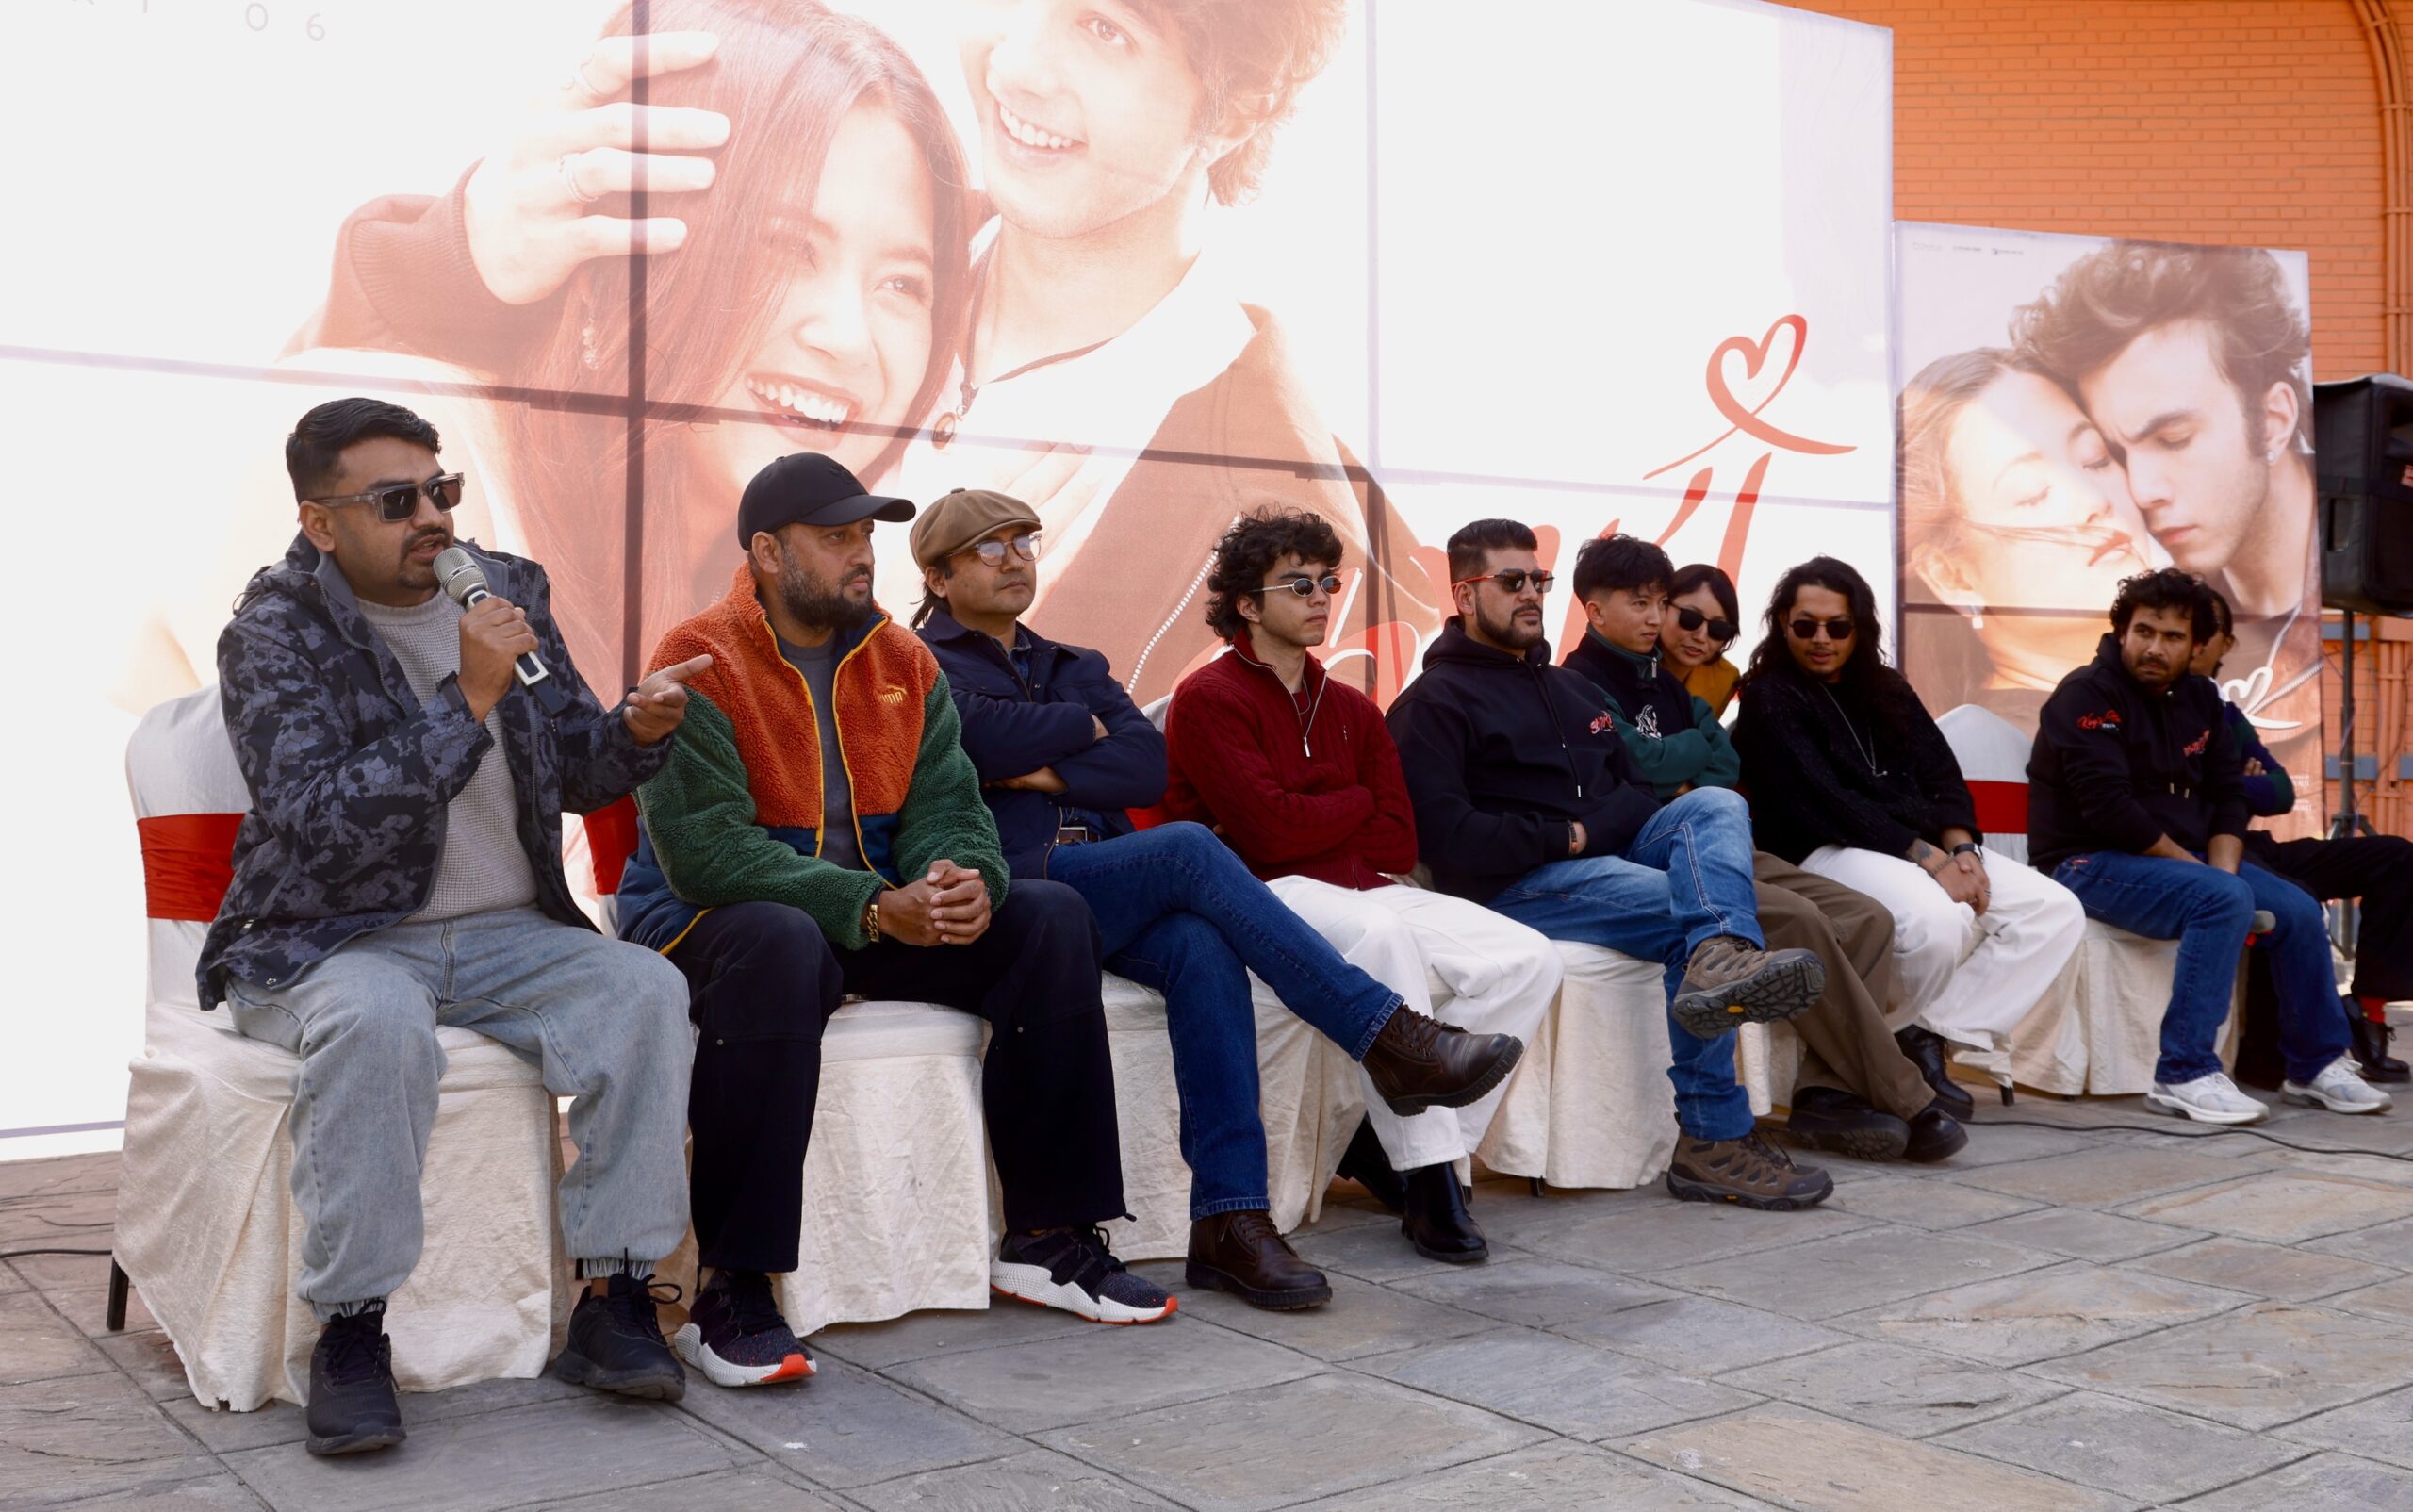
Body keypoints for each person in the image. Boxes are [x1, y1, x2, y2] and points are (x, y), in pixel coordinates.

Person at [201, 399, 707, 1455]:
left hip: (507, 932)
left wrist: (635, 730)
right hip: (333, 935)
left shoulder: (506, 588)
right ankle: (351, 1329)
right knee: (375, 1023)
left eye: (442, 490)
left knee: (646, 991)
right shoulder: (272, 633)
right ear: (321, 521)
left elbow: (576, 768)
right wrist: (465, 699)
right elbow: (320, 820)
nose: (432, 517)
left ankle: (615, 1299)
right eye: (397, 501)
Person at [617, 453, 1177, 1375]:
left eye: (865, 535)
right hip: (712, 917)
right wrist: (875, 908)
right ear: (767, 552)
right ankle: (734, 1285)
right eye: (835, 536)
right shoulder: (700, 657)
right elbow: (707, 854)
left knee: (1048, 915)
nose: (861, 553)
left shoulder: (903, 659)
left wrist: (961, 879)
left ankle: (1048, 1237)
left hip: (872, 910)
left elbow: (950, 805)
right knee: (780, 941)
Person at [909, 489, 1523, 1303]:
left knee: (1202, 948)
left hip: (1104, 872)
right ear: (938, 576)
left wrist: (1044, 765)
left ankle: (1231, 1222)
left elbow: (1143, 767)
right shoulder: (915, 662)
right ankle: (1388, 1037)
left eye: (1025, 541)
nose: (1016, 558)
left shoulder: (1074, 664)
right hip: (1015, 879)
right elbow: (976, 740)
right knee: (1192, 848)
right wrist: (1081, 730)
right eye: (991, 547)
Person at [291, 0, 975, 686]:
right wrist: (443, 262)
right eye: (789, 248)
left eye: (902, 284)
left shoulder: (777, 627)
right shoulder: (417, 494)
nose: (849, 339)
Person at [1387, 518, 1836, 1209]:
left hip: (1603, 856)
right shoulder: (1432, 703)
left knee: (1716, 805)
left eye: (1539, 579)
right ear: (1465, 595)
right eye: (1512, 580)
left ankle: (1722, 952)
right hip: (1515, 886)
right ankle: (1713, 1137)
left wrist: (1592, 829)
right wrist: (1568, 836)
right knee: (1684, 917)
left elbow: (1635, 793)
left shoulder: (1567, 692)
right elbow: (1450, 839)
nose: (1531, 592)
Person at [1160, 509, 1560, 1261]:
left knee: (1532, 959)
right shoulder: (1209, 697)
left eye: (1328, 582)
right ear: (1247, 604)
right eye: (1299, 585)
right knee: (1383, 934)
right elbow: (1268, 837)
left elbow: (1397, 840)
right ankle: (1435, 1183)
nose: (1321, 597)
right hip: (1259, 893)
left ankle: (1405, 1145)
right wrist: (1347, 804)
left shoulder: (1351, 706)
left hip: (1364, 884)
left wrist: (1307, 809)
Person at [1564, 536, 1966, 1162]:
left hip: (1722, 840)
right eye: (1645, 605)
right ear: (1595, 611)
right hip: (1652, 850)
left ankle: (1827, 1095)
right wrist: (1683, 761)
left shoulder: (1663, 683)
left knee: (1868, 917)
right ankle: (1906, 1095)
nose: (1658, 620)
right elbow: (1640, 766)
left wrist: (1679, 765)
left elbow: (1724, 766)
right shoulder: (1576, 684)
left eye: (1661, 604)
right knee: (1803, 918)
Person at [2028, 567, 2388, 1125]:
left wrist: (2220, 868)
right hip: (2086, 861)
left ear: (2198, 646)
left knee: (2297, 907)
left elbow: (2227, 795)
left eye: (2173, 637)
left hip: (2181, 859)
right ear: (2122, 632)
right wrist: (2216, 883)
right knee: (2220, 899)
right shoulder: (2086, 694)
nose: (2155, 648)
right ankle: (2184, 1073)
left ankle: (2315, 1064)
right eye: (2144, 631)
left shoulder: (2202, 698)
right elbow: (2109, 810)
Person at [1733, 557, 2086, 1096]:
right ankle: (1894, 1050)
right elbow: (1827, 802)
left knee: (2054, 912)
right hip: (1826, 847)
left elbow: (1942, 774)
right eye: (1805, 626)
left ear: (1859, 627)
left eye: (1838, 627)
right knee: (1937, 923)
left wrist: (1962, 849)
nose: (1821, 639)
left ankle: (1926, 1031)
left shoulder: (1887, 687)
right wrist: (1928, 858)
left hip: (1917, 844)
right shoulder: (1770, 694)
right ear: (1784, 624)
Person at [2011, 241, 2320, 756]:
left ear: (2273, 422)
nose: (2142, 490)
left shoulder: (2359, 607)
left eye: (2174, 439)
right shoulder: (2154, 626)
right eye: (2113, 455)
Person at [2194, 590, 2412, 1085]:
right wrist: (2237, 780)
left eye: (2205, 631)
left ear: (2224, 643)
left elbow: (2281, 792)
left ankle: (2368, 1010)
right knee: (2292, 901)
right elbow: (2187, 791)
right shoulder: (2164, 709)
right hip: (2204, 851)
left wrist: (2232, 783)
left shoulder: (2226, 713)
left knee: (2397, 858)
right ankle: (2275, 1058)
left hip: (2254, 845)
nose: (2194, 642)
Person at [1896, 348, 2156, 730]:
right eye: (2033, 493)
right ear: (1952, 576)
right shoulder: (1990, 751)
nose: (2094, 500)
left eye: (2096, 459)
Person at [1661, 562, 1743, 719]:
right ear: (1662, 605)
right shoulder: (1624, 657)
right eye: (1690, 618)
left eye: (1718, 628)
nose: (1700, 637)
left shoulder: (1724, 679)